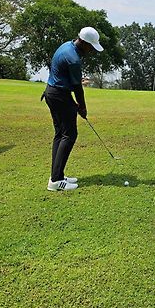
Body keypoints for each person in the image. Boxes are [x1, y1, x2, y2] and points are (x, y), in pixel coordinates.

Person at [44, 26, 103, 191]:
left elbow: (67, 76)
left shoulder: (67, 46)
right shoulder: (74, 59)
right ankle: (55, 181)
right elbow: (78, 88)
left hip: (53, 93)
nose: (91, 51)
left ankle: (57, 176)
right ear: (84, 43)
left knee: (60, 135)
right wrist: (82, 108)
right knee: (69, 135)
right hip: (59, 96)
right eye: (91, 47)